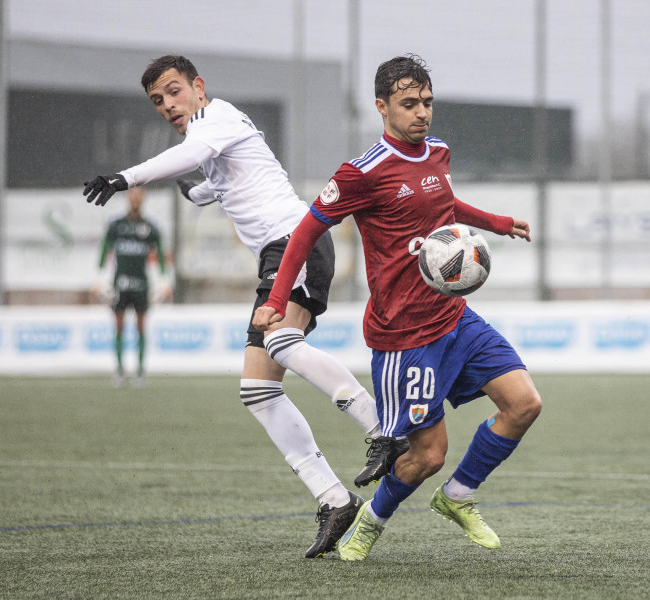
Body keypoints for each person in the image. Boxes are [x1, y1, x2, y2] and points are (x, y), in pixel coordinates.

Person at [81, 55, 408, 558]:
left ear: (198, 86)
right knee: (258, 389)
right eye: (158, 101)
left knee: (280, 341)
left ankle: (382, 426)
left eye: (174, 91)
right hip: (281, 252)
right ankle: (334, 498)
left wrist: (125, 178)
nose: (168, 105)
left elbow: (189, 158)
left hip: (293, 242)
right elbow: (213, 180)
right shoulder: (212, 137)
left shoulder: (219, 119)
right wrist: (199, 191)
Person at [252, 54, 542, 561]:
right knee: (425, 456)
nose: (422, 113)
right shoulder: (361, 173)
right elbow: (306, 231)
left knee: (524, 405)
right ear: (382, 107)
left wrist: (495, 222)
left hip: (455, 319)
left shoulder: (438, 152)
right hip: (405, 337)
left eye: (428, 102)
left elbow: (447, 204)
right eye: (410, 104)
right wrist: (276, 300)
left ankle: (459, 496)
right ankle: (371, 520)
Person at [93, 186, 170, 387]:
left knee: (141, 327)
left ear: (143, 200)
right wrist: (99, 278)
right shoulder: (116, 225)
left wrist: (163, 281)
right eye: (132, 197)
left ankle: (140, 372)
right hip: (120, 284)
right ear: (128, 199)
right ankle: (119, 371)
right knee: (118, 327)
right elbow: (105, 249)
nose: (135, 201)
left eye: (139, 197)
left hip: (141, 284)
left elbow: (160, 254)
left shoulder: (150, 227)